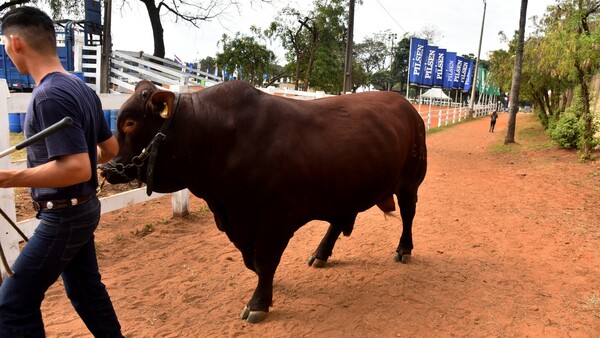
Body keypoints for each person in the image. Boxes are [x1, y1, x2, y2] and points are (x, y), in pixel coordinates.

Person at [0, 7, 124, 336]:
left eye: (4, 45)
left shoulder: (47, 96)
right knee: (86, 293)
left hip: (63, 217)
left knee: (12, 305)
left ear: (15, 43)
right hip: (82, 210)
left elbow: (75, 168)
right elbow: (110, 150)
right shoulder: (80, 88)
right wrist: (79, 159)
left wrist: (6, 178)